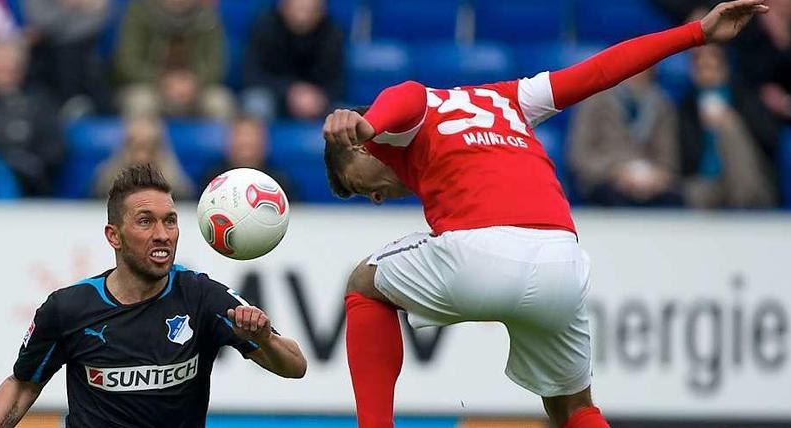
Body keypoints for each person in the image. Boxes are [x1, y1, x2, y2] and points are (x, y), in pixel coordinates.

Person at [319, 2, 766, 427]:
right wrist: (697, 33)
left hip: (479, 248)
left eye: (361, 185)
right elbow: (601, 71)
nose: (376, 198)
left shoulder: (392, 127)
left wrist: (369, 125)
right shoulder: (509, 100)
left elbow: (410, 95)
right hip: (562, 262)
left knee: (363, 283)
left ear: (359, 146)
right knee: (571, 404)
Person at [0, 164, 307, 428]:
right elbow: (22, 385)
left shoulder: (203, 297)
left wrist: (264, 339)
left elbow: (296, 367)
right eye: (146, 222)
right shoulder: (67, 309)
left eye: (170, 221)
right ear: (114, 236)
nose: (162, 235)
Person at [0, 39, 66, 197]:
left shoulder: (40, 104)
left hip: (31, 196)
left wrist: (17, 166)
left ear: (20, 69)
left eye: (8, 69)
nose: (2, 74)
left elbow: (54, 152)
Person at [678, 45, 777, 208]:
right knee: (694, 193)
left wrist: (730, 120)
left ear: (725, 67)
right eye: (701, 67)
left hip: (749, 180)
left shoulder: (745, 98)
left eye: (712, 66)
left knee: (730, 127)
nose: (707, 73)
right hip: (707, 181)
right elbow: (685, 155)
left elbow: (770, 138)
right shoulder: (687, 107)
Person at [567, 69, 682, 206]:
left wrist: (656, 176)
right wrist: (616, 172)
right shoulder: (594, 101)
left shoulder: (662, 105)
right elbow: (579, 155)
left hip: (651, 184)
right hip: (605, 180)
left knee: (674, 201)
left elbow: (669, 159)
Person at [114, 0, 234, 119]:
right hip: (151, 85)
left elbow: (217, 63)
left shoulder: (207, 16)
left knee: (219, 102)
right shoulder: (140, 11)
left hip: (195, 87)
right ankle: (145, 139)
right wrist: (163, 81)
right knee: (141, 102)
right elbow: (128, 62)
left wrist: (194, 82)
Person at [241, 0, 344, 120]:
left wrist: (317, 98)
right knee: (256, 104)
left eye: (309, 9)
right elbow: (252, 75)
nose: (303, 16)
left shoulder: (332, 33)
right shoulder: (264, 27)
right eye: (298, 8)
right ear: (283, 7)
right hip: (275, 96)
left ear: (322, 10)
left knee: (345, 116)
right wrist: (290, 92)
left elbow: (336, 83)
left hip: (315, 101)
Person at [94, 116, 195, 199]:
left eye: (150, 149)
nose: (142, 158)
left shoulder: (180, 194)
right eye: (136, 148)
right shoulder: (101, 189)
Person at [201, 115, 296, 199]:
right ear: (228, 142)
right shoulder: (212, 180)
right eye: (240, 135)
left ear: (265, 142)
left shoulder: (279, 183)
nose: (245, 142)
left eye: (251, 136)